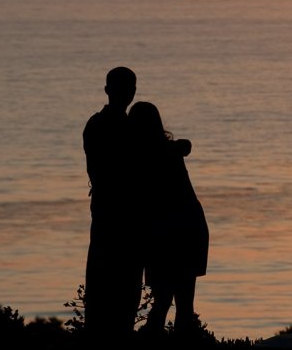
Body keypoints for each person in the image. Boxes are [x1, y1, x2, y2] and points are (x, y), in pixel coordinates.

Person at [130, 101, 210, 336]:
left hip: (168, 230)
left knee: (164, 301)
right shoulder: (167, 150)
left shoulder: (141, 156)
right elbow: (185, 146)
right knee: (181, 304)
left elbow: (185, 146)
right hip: (186, 226)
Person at [83, 66, 143, 343]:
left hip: (112, 215)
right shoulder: (126, 128)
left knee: (107, 285)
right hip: (121, 217)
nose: (126, 94)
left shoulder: (96, 125)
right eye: (124, 89)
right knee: (121, 287)